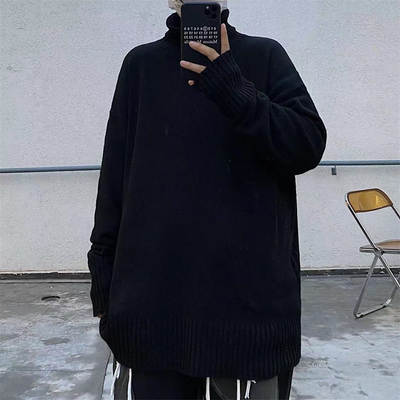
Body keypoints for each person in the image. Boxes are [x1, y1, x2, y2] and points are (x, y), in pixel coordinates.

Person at [87, 0, 327, 399]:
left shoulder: (264, 56)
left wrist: (232, 86)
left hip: (248, 312)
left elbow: (306, 146)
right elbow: (115, 175)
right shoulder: (141, 66)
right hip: (153, 305)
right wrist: (103, 273)